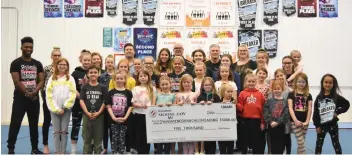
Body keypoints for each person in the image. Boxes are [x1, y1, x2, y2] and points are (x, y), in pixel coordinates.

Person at [7, 36, 44, 154]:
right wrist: (27, 93)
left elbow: (41, 80)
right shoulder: (16, 63)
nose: (29, 48)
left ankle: (34, 148)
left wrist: (34, 92)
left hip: (34, 99)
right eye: (26, 46)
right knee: (15, 123)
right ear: (21, 47)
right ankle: (11, 148)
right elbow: (16, 82)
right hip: (20, 99)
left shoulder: (37, 63)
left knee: (34, 125)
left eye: (31, 47)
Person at [313, 74, 350, 154]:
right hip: (321, 125)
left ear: (333, 84)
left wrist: (337, 112)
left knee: (336, 143)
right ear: (322, 83)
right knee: (319, 144)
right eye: (326, 82)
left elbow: (347, 104)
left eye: (330, 83)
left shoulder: (336, 97)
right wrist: (317, 125)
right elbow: (315, 113)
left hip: (333, 125)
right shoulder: (319, 97)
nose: (328, 84)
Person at [45, 58, 76, 154]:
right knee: (56, 131)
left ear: (67, 66)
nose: (62, 66)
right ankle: (57, 151)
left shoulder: (70, 78)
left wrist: (65, 107)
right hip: (54, 109)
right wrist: (56, 109)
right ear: (56, 66)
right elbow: (49, 94)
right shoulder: (52, 79)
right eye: (60, 64)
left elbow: (72, 93)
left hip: (66, 109)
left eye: (64, 64)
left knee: (64, 131)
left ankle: (62, 151)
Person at [80, 65, 108, 154]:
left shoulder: (103, 87)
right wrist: (87, 113)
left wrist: (99, 112)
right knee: (86, 139)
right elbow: (81, 100)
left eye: (95, 72)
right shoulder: (84, 87)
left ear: (99, 74)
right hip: (86, 115)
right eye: (91, 72)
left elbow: (105, 101)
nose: (93, 74)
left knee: (98, 139)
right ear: (87, 74)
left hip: (99, 116)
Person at [236, 72, 265, 154]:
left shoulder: (260, 94)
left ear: (256, 82)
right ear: (246, 82)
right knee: (244, 140)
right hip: (245, 120)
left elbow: (263, 109)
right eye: (249, 81)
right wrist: (236, 104)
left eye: (253, 82)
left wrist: (262, 122)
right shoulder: (242, 93)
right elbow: (240, 108)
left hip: (256, 120)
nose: (251, 83)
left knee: (256, 141)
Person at [107, 70, 133, 154]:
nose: (119, 80)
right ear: (114, 80)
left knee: (122, 138)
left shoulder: (128, 92)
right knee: (114, 137)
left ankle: (121, 152)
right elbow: (108, 106)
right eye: (117, 78)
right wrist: (113, 117)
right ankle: (114, 152)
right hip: (113, 119)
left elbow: (130, 106)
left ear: (125, 80)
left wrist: (125, 117)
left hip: (124, 120)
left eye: (121, 78)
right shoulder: (111, 92)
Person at [131, 69, 157, 154]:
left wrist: (151, 109)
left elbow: (153, 101)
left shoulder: (152, 88)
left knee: (147, 135)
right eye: (141, 76)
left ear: (148, 77)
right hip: (138, 114)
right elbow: (133, 102)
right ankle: (139, 151)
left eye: (145, 76)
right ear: (138, 78)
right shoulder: (135, 89)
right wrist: (140, 105)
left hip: (148, 115)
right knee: (139, 135)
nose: (143, 78)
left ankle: (146, 151)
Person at [70, 50, 92, 154]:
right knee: (76, 126)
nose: (87, 62)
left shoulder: (93, 72)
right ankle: (74, 150)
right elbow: (72, 87)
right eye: (85, 60)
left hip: (90, 105)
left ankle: (87, 149)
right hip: (77, 104)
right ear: (80, 60)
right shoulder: (75, 73)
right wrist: (80, 96)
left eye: (88, 60)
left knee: (89, 128)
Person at [41, 46, 61, 154]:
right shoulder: (47, 69)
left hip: (60, 99)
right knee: (47, 121)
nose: (57, 57)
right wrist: (44, 98)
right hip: (48, 99)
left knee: (60, 123)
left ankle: (60, 146)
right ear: (51, 56)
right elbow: (42, 84)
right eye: (55, 55)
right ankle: (45, 145)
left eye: (58, 55)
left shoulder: (63, 68)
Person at [288, 72, 312, 154]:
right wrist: (295, 120)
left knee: (301, 142)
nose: (301, 84)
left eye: (303, 82)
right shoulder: (291, 94)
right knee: (301, 142)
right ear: (295, 82)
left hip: (305, 122)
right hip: (294, 122)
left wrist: (307, 121)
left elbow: (309, 109)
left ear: (306, 83)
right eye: (299, 81)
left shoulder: (308, 95)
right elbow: (290, 108)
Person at [263, 80, 289, 154]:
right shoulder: (269, 101)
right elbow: (266, 112)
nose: (276, 90)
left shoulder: (285, 102)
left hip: (281, 127)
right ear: (272, 90)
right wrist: (271, 121)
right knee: (272, 146)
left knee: (280, 146)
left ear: (282, 89)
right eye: (275, 89)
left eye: (278, 89)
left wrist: (278, 122)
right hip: (271, 127)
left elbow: (286, 114)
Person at [196, 77, 221, 154]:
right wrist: (199, 105)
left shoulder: (216, 96)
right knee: (205, 140)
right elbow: (196, 111)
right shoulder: (200, 97)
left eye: (209, 85)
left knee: (212, 140)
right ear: (202, 86)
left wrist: (213, 105)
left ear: (213, 86)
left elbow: (219, 109)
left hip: (213, 122)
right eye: (206, 85)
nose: (207, 86)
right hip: (203, 122)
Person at [152, 76, 176, 154]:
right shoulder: (157, 95)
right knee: (158, 141)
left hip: (169, 122)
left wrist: (172, 105)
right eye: (163, 84)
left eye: (166, 84)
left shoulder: (173, 95)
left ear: (170, 84)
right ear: (160, 85)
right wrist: (157, 106)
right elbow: (152, 107)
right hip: (158, 122)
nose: (165, 86)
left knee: (167, 142)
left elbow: (176, 108)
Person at [176, 74, 198, 154]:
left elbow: (198, 107)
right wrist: (179, 104)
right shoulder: (178, 94)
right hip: (182, 119)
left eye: (188, 82)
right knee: (184, 140)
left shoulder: (195, 94)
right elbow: (175, 107)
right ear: (181, 83)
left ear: (191, 83)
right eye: (184, 82)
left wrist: (193, 104)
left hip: (192, 118)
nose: (186, 84)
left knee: (191, 139)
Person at [98, 55, 115, 154]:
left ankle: (113, 147)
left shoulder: (117, 75)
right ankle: (104, 148)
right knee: (104, 128)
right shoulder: (101, 77)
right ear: (105, 63)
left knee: (113, 127)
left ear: (114, 63)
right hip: (104, 105)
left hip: (115, 106)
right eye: (108, 62)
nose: (109, 64)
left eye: (111, 62)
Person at [218, 84, 235, 154]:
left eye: (231, 92)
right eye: (228, 92)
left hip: (231, 128)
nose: (230, 93)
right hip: (221, 129)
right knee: (222, 148)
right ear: (222, 92)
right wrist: (220, 106)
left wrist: (236, 105)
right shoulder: (218, 102)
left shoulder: (234, 101)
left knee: (230, 147)